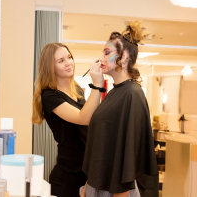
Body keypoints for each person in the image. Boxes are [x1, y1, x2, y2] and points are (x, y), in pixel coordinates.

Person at [81, 21, 159, 197]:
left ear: (123, 57)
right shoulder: (117, 92)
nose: (101, 58)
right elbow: (104, 144)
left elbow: (129, 156)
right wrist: (89, 183)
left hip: (117, 191)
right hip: (100, 184)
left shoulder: (132, 95)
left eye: (107, 53)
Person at [32, 42, 103, 197]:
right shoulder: (49, 95)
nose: (69, 63)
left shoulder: (76, 90)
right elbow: (83, 118)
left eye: (69, 57)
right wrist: (97, 85)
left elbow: (92, 121)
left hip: (85, 174)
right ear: (50, 68)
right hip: (67, 178)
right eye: (61, 61)